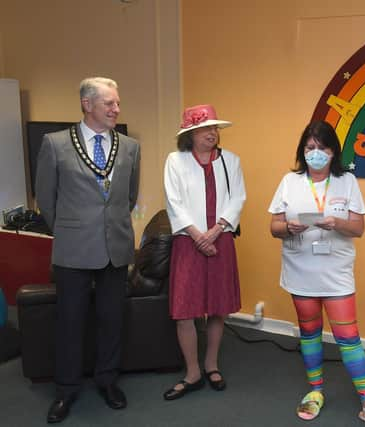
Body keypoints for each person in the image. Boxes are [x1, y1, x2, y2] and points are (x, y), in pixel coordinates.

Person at [268, 121, 365, 427]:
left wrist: (335, 224)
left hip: (335, 271)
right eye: (309, 148)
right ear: (303, 151)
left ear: (333, 152)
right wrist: (289, 227)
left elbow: (359, 228)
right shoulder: (289, 181)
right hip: (300, 269)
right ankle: (315, 392)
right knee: (310, 333)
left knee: (348, 337)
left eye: (322, 148)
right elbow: (273, 227)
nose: (315, 154)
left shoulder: (347, 181)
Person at [35, 77, 140, 423]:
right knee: (70, 322)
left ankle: (108, 380)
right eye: (109, 103)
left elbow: (129, 197)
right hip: (73, 249)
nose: (116, 109)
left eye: (117, 103)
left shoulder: (129, 147)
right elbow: (46, 200)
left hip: (116, 247)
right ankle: (66, 390)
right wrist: (71, 229)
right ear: (86, 103)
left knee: (112, 320)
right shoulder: (55, 144)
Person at [162, 104, 245, 400]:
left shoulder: (231, 161)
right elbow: (174, 201)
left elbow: (238, 198)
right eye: (206, 128)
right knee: (185, 311)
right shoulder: (175, 161)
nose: (213, 133)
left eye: (215, 128)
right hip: (188, 241)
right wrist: (198, 235)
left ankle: (212, 365)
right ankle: (193, 372)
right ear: (191, 133)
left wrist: (216, 230)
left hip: (220, 239)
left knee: (217, 307)